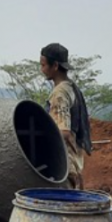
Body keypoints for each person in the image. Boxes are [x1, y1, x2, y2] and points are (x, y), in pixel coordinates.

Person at [40, 43, 92, 189]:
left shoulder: (60, 94)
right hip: (74, 162)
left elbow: (63, 132)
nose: (41, 69)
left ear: (55, 65)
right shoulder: (71, 87)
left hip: (64, 165)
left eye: (43, 65)